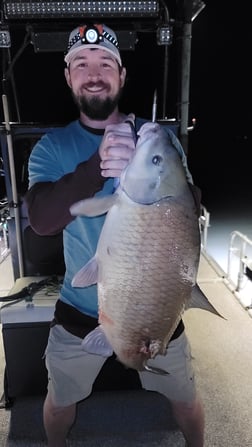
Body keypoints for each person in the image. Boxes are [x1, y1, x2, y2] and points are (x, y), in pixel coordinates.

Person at [25, 23, 204, 447]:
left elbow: (188, 203)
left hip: (157, 310)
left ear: (121, 76)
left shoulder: (155, 137)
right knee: (58, 401)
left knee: (187, 398)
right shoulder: (51, 148)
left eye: (106, 63)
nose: (94, 72)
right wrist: (95, 169)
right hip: (80, 308)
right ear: (69, 77)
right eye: (82, 64)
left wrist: (149, 172)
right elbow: (43, 221)